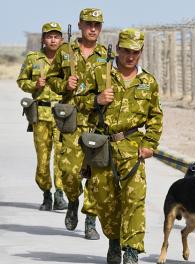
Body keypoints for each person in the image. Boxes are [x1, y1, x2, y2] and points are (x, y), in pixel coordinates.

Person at [82, 28, 163, 264]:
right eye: (126, 51)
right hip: (101, 146)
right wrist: (95, 100)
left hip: (132, 147)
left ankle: (131, 250)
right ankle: (114, 241)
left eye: (135, 52)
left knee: (134, 200)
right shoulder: (100, 72)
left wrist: (150, 143)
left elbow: (156, 117)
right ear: (117, 48)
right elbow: (77, 99)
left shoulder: (148, 82)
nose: (130, 56)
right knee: (105, 200)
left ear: (141, 52)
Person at [46, 8, 107, 240]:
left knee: (95, 175)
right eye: (89, 24)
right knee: (69, 173)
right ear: (80, 25)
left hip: (96, 122)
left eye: (97, 25)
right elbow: (51, 78)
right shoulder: (65, 51)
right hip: (71, 122)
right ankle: (72, 201)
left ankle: (90, 221)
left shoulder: (105, 55)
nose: (93, 28)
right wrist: (65, 85)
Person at [17, 22, 68, 211]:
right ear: (43, 39)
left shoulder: (67, 59)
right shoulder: (33, 58)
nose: (53, 40)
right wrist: (34, 85)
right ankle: (46, 193)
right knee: (43, 158)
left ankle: (60, 194)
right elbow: (21, 81)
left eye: (56, 36)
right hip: (40, 114)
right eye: (49, 36)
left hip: (62, 115)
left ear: (61, 39)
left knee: (62, 157)